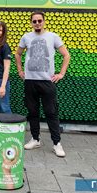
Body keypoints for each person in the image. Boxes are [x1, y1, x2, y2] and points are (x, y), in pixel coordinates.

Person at [15, 11, 70, 157]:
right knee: (32, 112)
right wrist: (20, 70)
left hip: (47, 81)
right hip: (30, 81)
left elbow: (66, 55)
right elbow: (18, 53)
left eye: (40, 20)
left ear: (44, 21)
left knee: (51, 112)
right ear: (31, 23)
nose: (37, 23)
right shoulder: (26, 37)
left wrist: (61, 74)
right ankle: (35, 139)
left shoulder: (53, 36)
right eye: (34, 21)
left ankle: (57, 143)